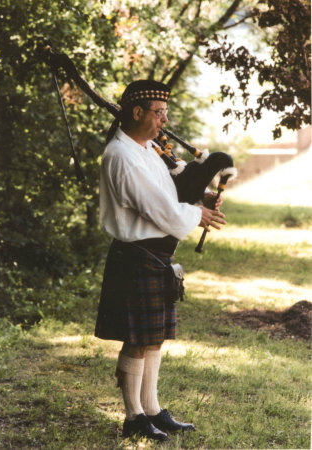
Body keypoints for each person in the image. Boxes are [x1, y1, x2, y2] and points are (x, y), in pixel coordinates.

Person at [95, 80, 226, 441]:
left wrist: (204, 195)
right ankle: (133, 416)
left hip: (155, 255)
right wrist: (196, 215)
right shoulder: (121, 155)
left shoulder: (149, 147)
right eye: (158, 112)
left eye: (165, 112)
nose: (164, 120)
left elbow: (172, 188)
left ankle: (151, 408)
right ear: (137, 113)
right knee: (138, 339)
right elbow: (158, 207)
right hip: (137, 254)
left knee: (153, 338)